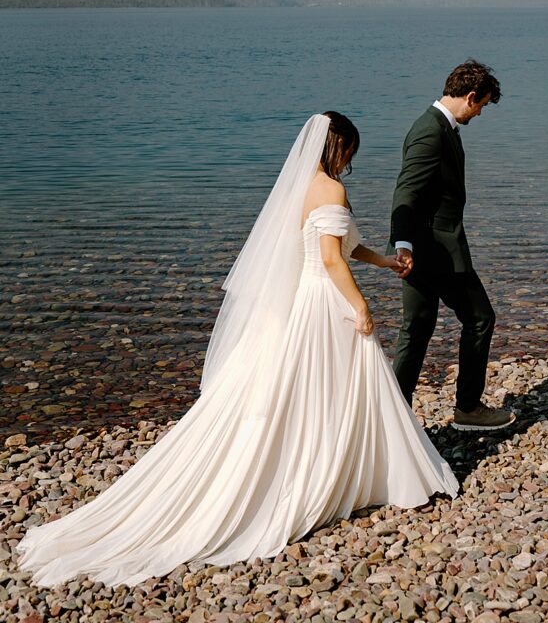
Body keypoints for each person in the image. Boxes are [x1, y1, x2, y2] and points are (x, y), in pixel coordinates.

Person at [17, 112, 458, 588]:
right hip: (324, 301)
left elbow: (343, 247)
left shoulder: (299, 188)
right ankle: (352, 471)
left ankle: (337, 463)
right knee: (343, 383)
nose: (350, 160)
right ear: (338, 146)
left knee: (319, 387)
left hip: (302, 300)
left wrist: (385, 261)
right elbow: (330, 259)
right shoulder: (330, 190)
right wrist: (361, 305)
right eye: (349, 150)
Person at [390, 60, 516, 430]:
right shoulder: (431, 132)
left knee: (416, 330)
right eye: (481, 106)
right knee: (480, 319)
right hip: (435, 252)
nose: (479, 114)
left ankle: (394, 419)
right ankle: (468, 408)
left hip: (423, 250)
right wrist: (403, 244)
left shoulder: (440, 126)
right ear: (471, 96)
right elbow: (406, 191)